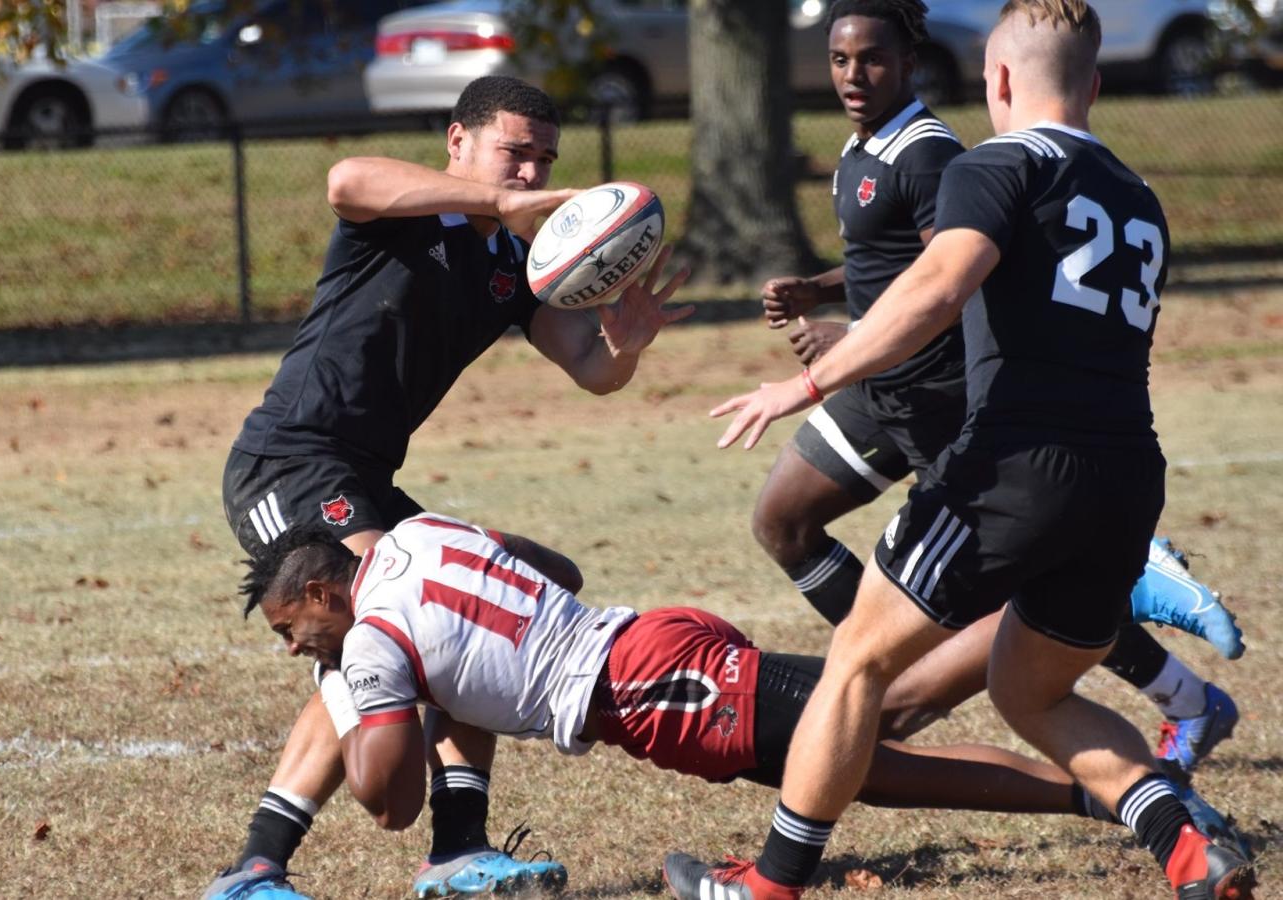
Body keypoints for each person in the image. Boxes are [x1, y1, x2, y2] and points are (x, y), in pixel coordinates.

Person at [680, 2, 1257, 898]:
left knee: (860, 663)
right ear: (1096, 86)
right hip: (1128, 476)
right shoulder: (1138, 197)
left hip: (1014, 466)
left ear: (995, 82)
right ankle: (1189, 848)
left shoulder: (993, 162)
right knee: (1030, 692)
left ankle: (767, 884)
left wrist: (802, 385)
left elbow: (939, 288)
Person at [208, 75, 691, 900]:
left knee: (480, 605)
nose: (531, 175)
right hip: (290, 462)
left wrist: (626, 344)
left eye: (545, 160)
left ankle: (459, 851)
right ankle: (254, 870)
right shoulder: (406, 208)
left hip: (364, 476)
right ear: (458, 144)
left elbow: (588, 366)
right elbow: (344, 180)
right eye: (514, 152)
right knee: (390, 620)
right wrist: (492, 197)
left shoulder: (514, 260)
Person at [234, 514, 1240, 893]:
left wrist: (359, 685)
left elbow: (385, 799)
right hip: (643, 655)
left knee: (875, 710)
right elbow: (556, 560)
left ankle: (1103, 581)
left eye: (293, 632)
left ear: (323, 592)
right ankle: (1114, 798)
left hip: (653, 690)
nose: (299, 653)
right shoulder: (415, 534)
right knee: (876, 769)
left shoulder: (365, 643)